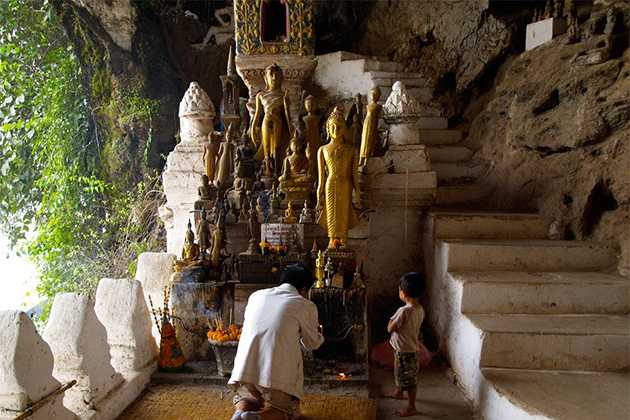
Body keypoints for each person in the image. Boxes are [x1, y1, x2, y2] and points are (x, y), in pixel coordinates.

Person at [228, 264, 325, 420]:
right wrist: (320, 335)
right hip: (275, 374)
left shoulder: (256, 296)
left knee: (247, 398)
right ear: (304, 289)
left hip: (244, 369)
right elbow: (311, 344)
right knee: (288, 411)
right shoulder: (305, 305)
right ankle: (255, 418)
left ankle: (239, 414)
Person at [383, 272, 427, 417]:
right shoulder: (420, 310)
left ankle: (411, 406)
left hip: (405, 351)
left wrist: (391, 320)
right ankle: (399, 392)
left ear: (403, 293)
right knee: (401, 374)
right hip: (408, 348)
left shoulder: (404, 311)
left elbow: (390, 328)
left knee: (409, 380)